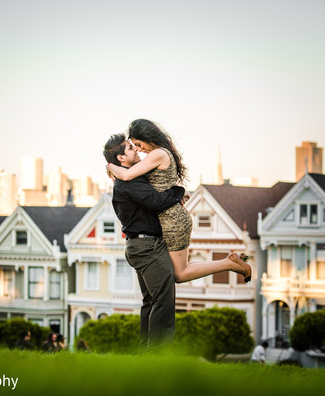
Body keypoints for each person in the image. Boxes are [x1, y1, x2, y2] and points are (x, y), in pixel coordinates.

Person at [107, 119, 252, 283]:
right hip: (170, 217)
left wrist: (110, 167)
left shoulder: (157, 154)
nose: (139, 150)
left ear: (147, 137)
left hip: (172, 220)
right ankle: (228, 262)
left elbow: (127, 175)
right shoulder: (160, 153)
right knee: (180, 269)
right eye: (135, 146)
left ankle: (229, 263)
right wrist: (179, 193)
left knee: (179, 274)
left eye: (139, 144)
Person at [104, 133, 187, 349]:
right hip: (146, 247)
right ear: (121, 158)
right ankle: (159, 355)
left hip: (141, 246)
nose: (136, 150)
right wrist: (179, 191)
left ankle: (146, 353)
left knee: (151, 301)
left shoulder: (128, 178)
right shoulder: (128, 183)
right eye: (130, 148)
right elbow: (156, 201)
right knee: (162, 300)